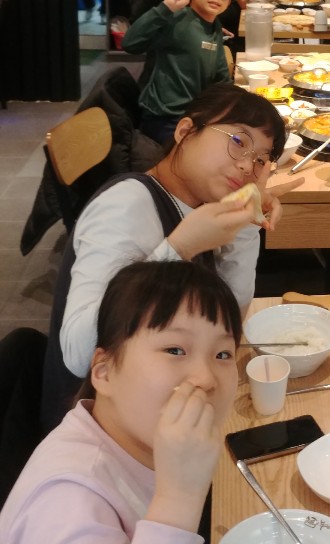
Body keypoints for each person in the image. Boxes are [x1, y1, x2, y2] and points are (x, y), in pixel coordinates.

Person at [41, 81, 287, 432]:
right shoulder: (127, 206)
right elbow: (80, 355)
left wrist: (248, 222)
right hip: (105, 436)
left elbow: (228, 320)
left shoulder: (194, 206)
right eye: (238, 141)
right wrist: (179, 249)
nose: (249, 166)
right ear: (185, 131)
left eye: (262, 159)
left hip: (169, 407)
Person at [2, 260, 241, 543]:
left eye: (223, 354)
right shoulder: (68, 506)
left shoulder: (140, 444)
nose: (206, 378)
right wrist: (180, 498)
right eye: (175, 350)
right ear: (104, 372)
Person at [122, 0, 236, 143]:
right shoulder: (177, 18)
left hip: (194, 115)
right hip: (166, 119)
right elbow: (130, 44)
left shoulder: (214, 26)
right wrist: (166, 7)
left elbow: (221, 78)